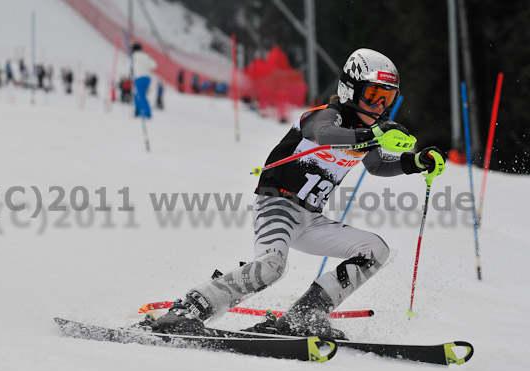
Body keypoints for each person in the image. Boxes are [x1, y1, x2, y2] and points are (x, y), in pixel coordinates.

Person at [141, 48, 445, 337]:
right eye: (373, 97)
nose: (379, 107)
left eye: (386, 99)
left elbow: (377, 165)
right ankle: (188, 309)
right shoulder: (325, 117)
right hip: (277, 205)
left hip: (311, 220)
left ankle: (304, 316)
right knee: (272, 267)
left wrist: (416, 162)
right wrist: (372, 134)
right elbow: (326, 135)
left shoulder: (368, 132)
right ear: (350, 91)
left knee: (375, 250)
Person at [131, 42, 157, 118]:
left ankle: (147, 113)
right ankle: (138, 112)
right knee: (138, 95)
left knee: (140, 95)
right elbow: (154, 65)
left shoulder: (134, 56)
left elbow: (128, 65)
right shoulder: (147, 56)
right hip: (147, 78)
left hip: (139, 77)